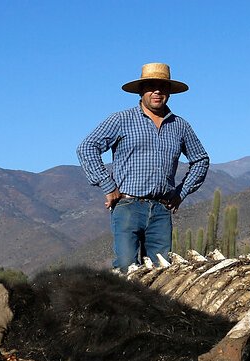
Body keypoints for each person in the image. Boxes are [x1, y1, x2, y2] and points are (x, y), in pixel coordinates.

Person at [77, 62, 210, 271]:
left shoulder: (180, 126)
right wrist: (108, 186)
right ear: (141, 90)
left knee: (162, 271)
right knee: (126, 266)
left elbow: (201, 159)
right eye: (151, 86)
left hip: (161, 209)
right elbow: (87, 148)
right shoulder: (121, 119)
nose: (157, 91)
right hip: (128, 206)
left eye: (163, 87)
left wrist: (180, 193)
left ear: (169, 92)